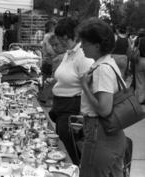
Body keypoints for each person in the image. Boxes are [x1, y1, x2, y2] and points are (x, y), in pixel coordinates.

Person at [78, 18, 126, 177]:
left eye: (84, 43)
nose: (81, 47)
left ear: (97, 45)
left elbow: (104, 109)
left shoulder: (102, 70)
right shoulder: (108, 64)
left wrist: (84, 85)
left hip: (100, 133)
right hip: (112, 134)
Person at [48, 17, 94, 165]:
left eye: (65, 38)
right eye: (61, 38)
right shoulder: (70, 53)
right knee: (65, 147)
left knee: (72, 153)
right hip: (61, 108)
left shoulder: (83, 56)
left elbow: (89, 86)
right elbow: (68, 76)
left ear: (74, 35)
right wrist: (56, 81)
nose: (61, 42)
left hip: (72, 108)